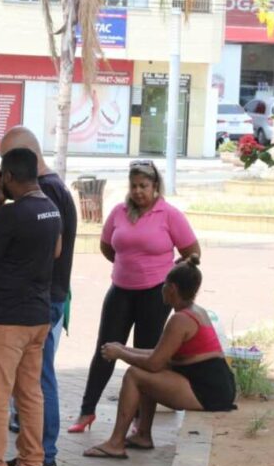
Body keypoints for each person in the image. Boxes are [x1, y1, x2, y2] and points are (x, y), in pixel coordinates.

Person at [69, 160, 200, 434]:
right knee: (106, 349)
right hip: (120, 291)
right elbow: (107, 246)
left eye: (144, 186)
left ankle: (141, 418)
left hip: (155, 294)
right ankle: (86, 410)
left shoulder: (169, 214)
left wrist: (169, 274)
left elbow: (192, 252)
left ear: (155, 187)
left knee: (147, 352)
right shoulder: (119, 212)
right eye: (134, 186)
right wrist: (127, 264)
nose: (138, 191)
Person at [0, 148, 62, 466]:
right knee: (29, 394)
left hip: (4, 319)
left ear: (8, 177)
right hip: (37, 317)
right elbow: (54, 251)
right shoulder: (50, 209)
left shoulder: (14, 214)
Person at [84, 256, 235, 459]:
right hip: (218, 387)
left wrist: (120, 354)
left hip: (208, 392)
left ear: (172, 288)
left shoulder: (180, 319)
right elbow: (159, 354)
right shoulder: (195, 311)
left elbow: (154, 363)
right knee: (146, 374)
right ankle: (143, 435)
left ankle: (116, 443)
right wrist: (123, 348)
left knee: (134, 375)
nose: (161, 289)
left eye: (164, 285)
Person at [0, 127, 78, 466]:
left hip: (42, 300)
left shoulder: (44, 192)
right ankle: (40, 453)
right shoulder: (55, 189)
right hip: (46, 296)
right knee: (34, 378)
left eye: (8, 165)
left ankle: (44, 454)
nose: (4, 174)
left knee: (38, 379)